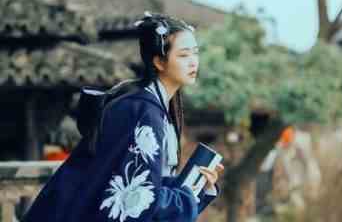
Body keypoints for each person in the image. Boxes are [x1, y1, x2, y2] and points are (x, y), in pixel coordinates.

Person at [22, 12, 223, 222]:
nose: (193, 62)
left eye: (195, 53)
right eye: (183, 55)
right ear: (159, 62)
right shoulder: (144, 111)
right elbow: (139, 199)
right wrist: (189, 197)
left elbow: (149, 184)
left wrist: (199, 188)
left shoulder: (149, 105)